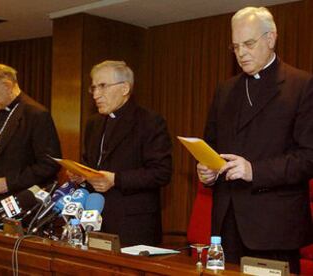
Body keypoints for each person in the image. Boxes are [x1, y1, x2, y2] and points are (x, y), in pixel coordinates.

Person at [197, 7, 313, 273]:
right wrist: (207, 170)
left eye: (248, 44)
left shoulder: (301, 86)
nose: (241, 53)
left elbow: (308, 157)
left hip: (275, 225)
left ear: (270, 38)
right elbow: (211, 146)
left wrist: (254, 170)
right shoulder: (225, 90)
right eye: (235, 46)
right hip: (227, 224)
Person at [70, 60, 172, 246]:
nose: (96, 95)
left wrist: (116, 179)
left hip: (133, 225)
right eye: (93, 88)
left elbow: (161, 173)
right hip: (95, 217)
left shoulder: (149, 121)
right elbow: (91, 163)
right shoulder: (94, 123)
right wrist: (81, 174)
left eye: (102, 86)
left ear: (125, 88)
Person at [0, 63, 61, 211]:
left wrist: (9, 182)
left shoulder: (36, 114)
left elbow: (50, 164)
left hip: (21, 200)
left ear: (8, 85)